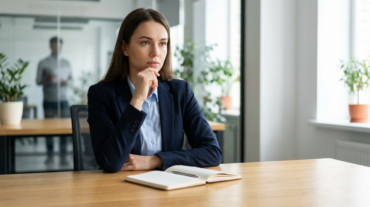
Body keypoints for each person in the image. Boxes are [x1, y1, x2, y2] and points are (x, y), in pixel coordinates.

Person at [87, 8, 222, 173]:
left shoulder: (181, 91)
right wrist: (136, 101)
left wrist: (156, 160)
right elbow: (110, 161)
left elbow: (212, 152)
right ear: (125, 47)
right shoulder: (101, 94)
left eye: (162, 43)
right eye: (145, 42)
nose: (156, 52)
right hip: (121, 190)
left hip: (169, 188)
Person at [36, 36, 73, 165]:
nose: (57, 48)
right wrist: (48, 79)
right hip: (49, 99)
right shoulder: (43, 62)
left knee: (64, 128)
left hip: (63, 99)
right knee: (49, 129)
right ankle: (50, 154)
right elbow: (38, 81)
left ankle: (64, 155)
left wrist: (67, 82)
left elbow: (72, 80)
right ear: (50, 46)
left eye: (59, 46)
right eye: (54, 46)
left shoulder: (66, 63)